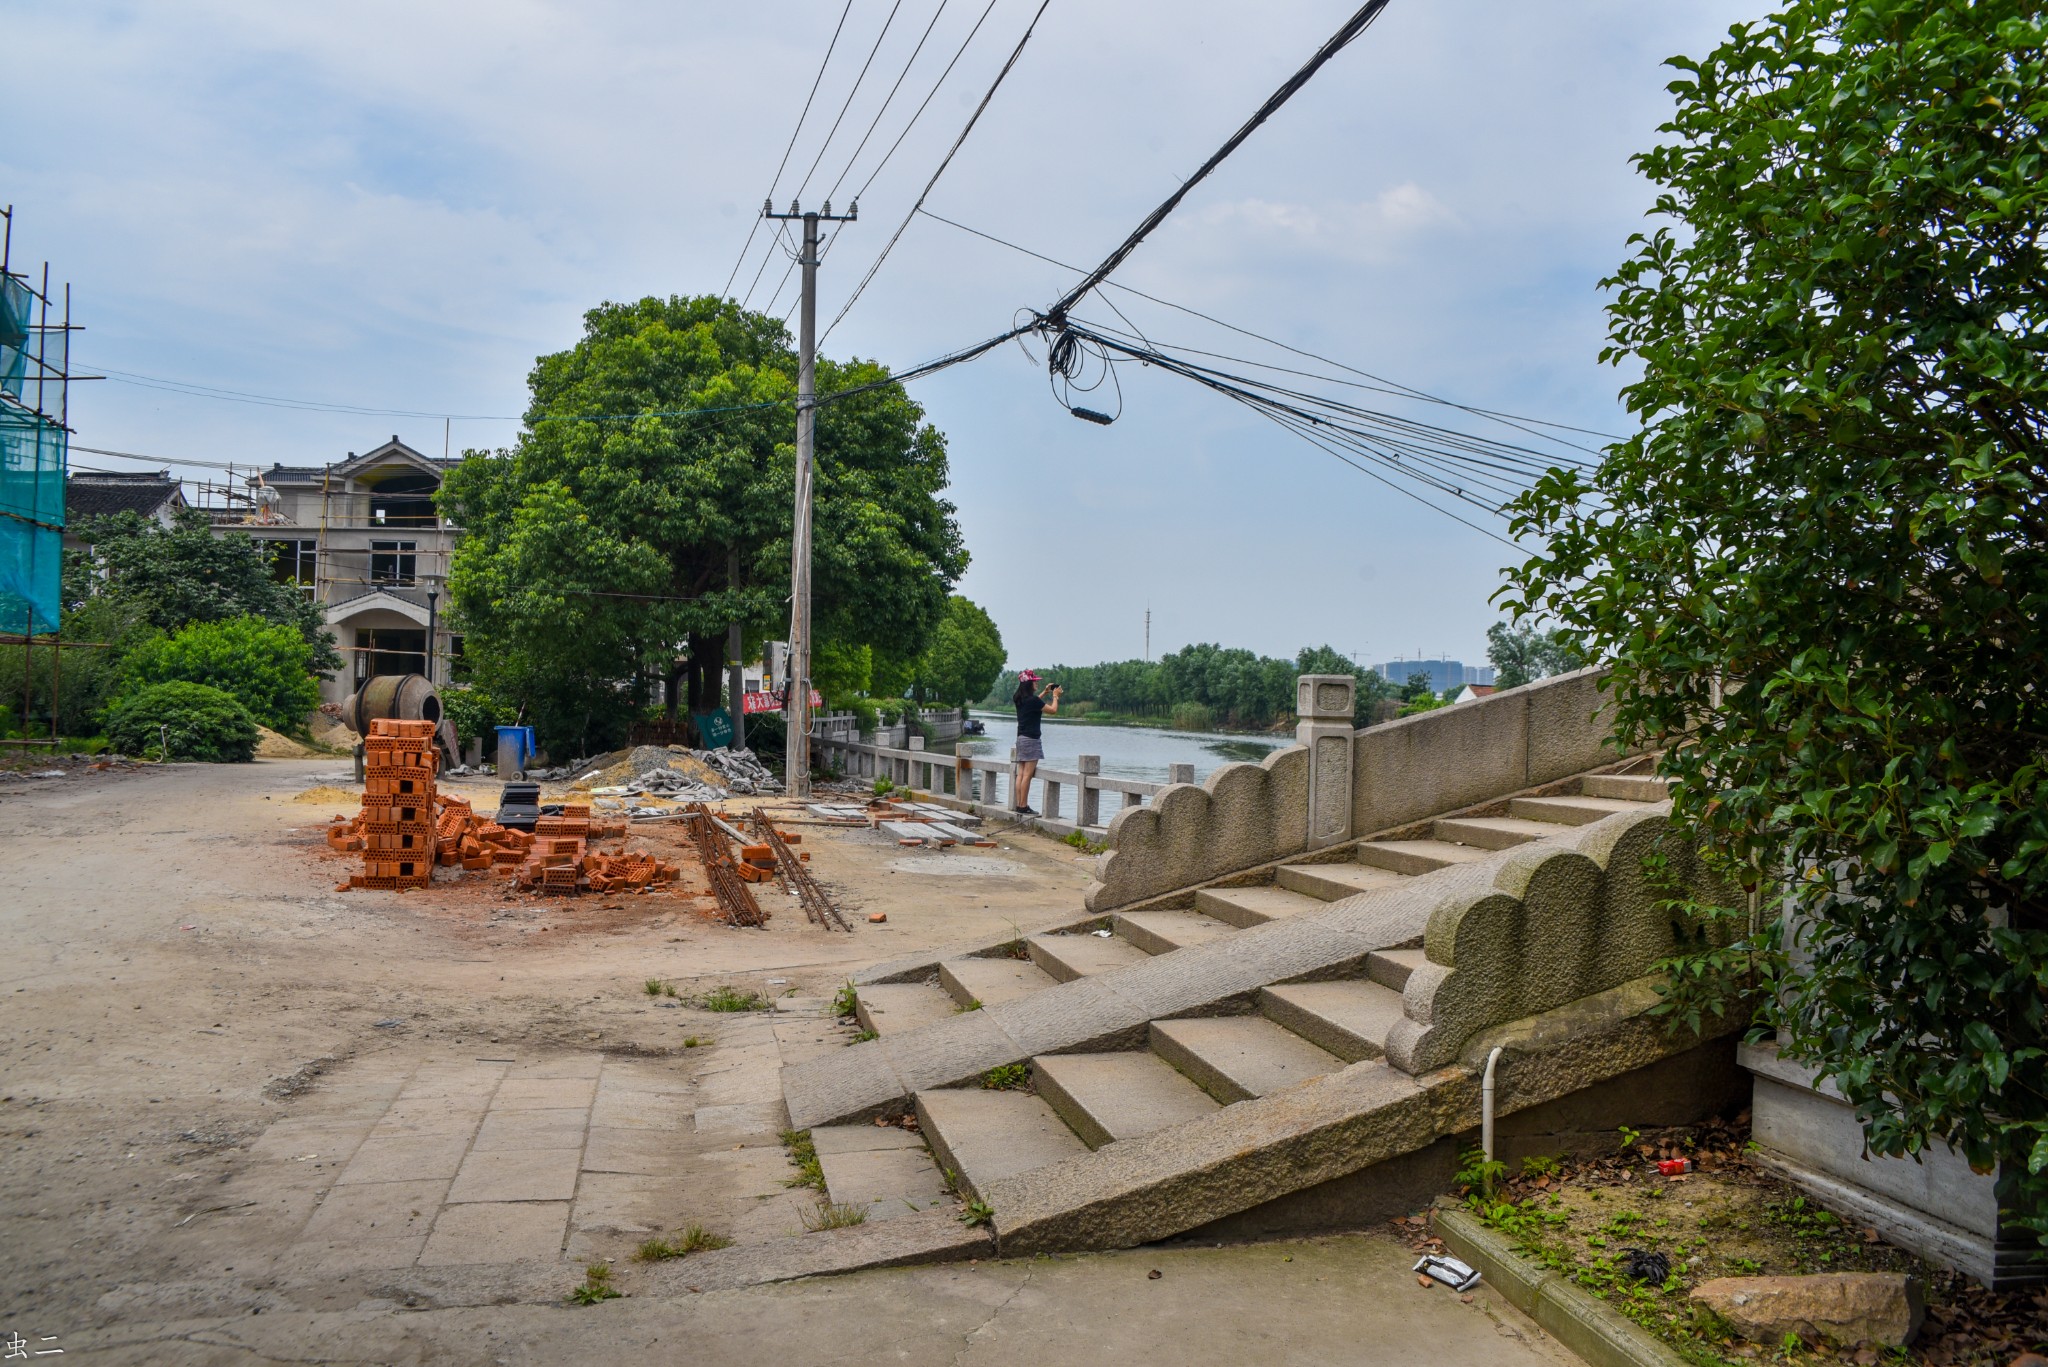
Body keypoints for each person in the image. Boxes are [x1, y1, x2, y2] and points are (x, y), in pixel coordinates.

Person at [1011, 670, 1060, 816]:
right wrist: (1055, 696)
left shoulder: (1019, 699)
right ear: (1029, 684)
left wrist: (1045, 693)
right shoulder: (1033, 701)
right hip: (1032, 739)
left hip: (1020, 739)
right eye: (1035, 681)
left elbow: (1034, 703)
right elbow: (1052, 710)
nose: (1037, 683)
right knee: (1027, 775)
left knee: (1020, 774)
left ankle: (1019, 805)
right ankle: (1024, 805)